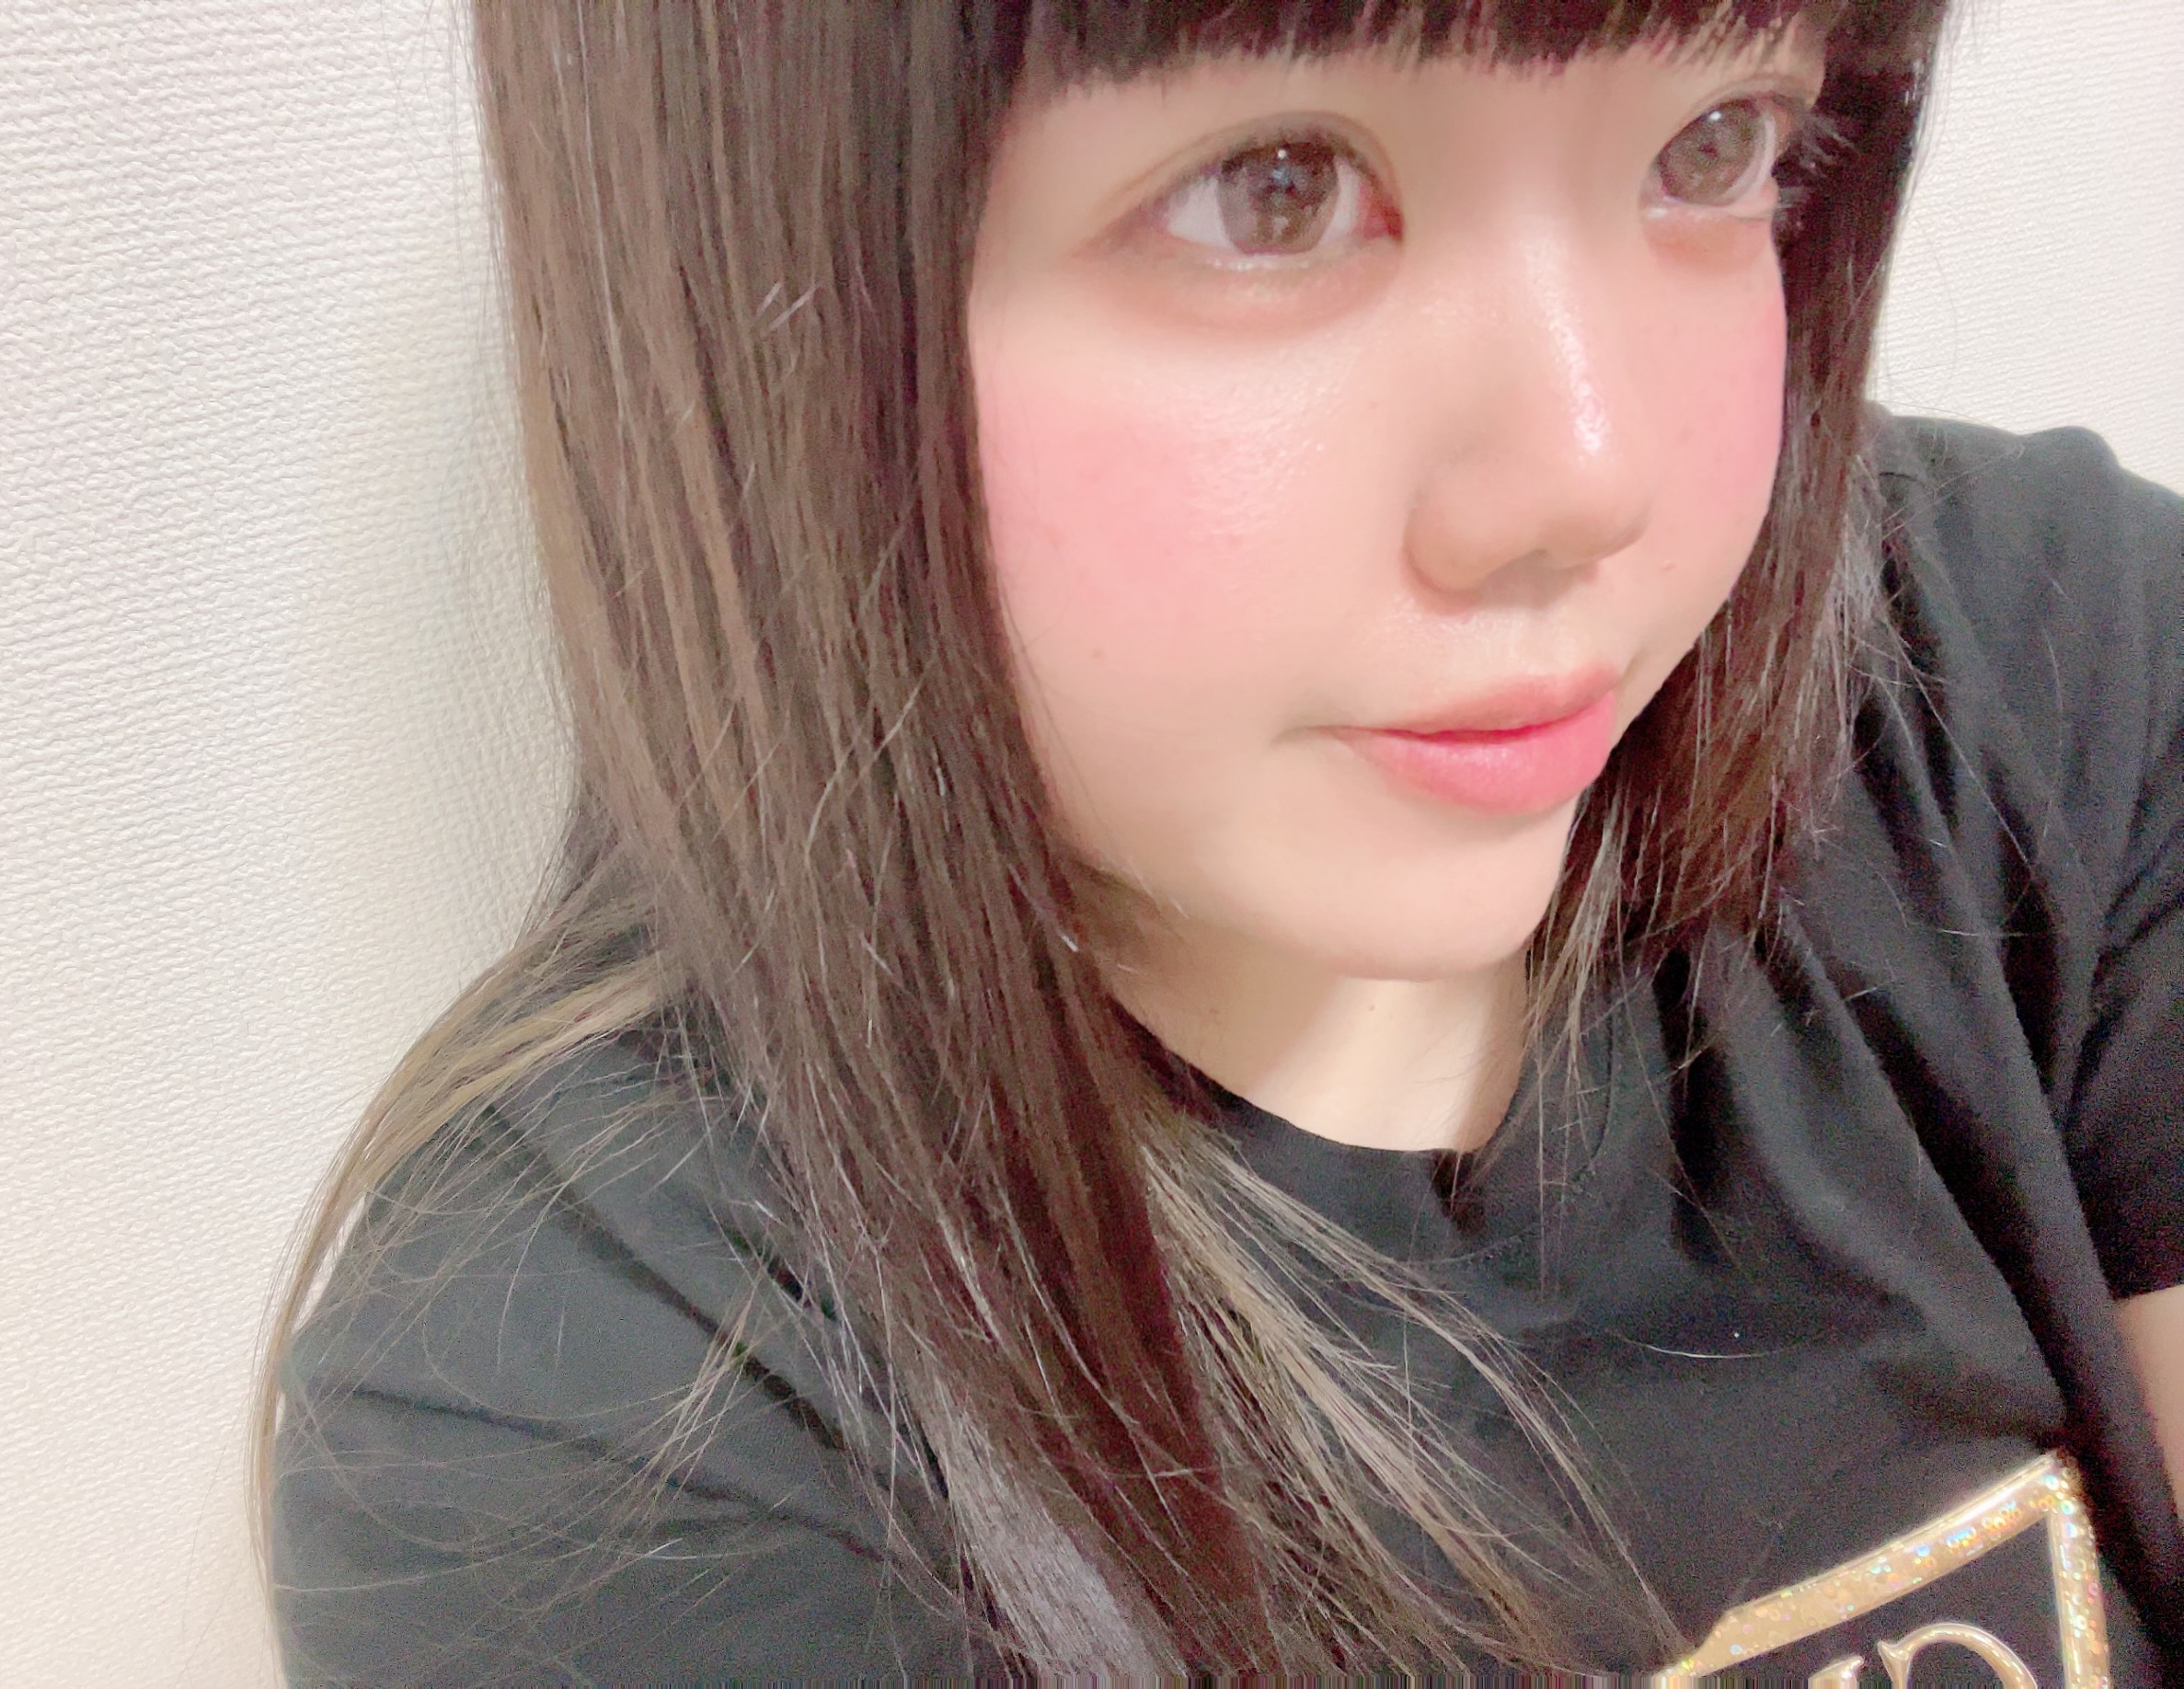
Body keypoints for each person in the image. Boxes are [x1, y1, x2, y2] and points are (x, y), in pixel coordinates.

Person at [255, 0, 2184, 1678]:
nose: (1586, 480)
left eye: (1715, 144)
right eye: (1277, 189)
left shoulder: (2043, 668)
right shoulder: (605, 1408)